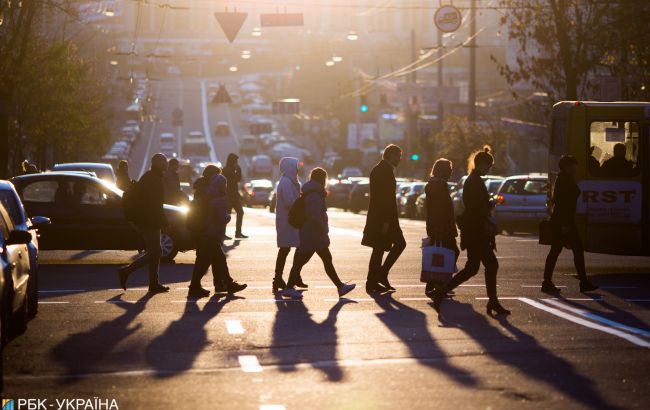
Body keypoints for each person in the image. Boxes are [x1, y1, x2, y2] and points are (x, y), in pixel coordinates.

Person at [434, 146, 510, 316]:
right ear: (481, 164)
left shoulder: (472, 180)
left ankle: (443, 291)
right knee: (490, 264)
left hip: (473, 230)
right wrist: (492, 204)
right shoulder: (475, 181)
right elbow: (477, 207)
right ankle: (492, 301)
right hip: (477, 231)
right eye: (488, 165)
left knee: (472, 267)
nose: (489, 168)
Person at [282, 168, 356, 299]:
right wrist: (324, 228)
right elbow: (316, 215)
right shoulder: (315, 195)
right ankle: (288, 288)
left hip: (310, 232)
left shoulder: (311, 192)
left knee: (323, 260)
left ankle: (340, 286)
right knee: (304, 261)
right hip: (313, 234)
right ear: (322, 179)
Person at [542, 155, 599, 293]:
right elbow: (564, 204)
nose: (576, 168)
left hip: (563, 221)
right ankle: (582, 282)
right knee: (573, 249)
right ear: (568, 167)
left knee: (557, 251)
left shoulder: (563, 179)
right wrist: (565, 224)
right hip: (564, 222)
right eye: (574, 165)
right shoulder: (565, 180)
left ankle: (548, 282)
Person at [188, 165, 247, 297]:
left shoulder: (203, 189)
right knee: (204, 261)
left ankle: (225, 283)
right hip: (206, 232)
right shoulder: (209, 192)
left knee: (217, 259)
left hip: (204, 231)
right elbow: (218, 215)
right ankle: (196, 287)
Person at [117, 153, 170, 294]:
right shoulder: (153, 179)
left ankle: (154, 283)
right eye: (164, 161)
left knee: (155, 251)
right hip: (149, 220)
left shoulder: (151, 176)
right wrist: (163, 221)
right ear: (159, 164)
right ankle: (127, 271)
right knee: (156, 252)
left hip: (148, 219)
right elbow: (155, 204)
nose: (166, 163)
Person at [362, 144, 406, 293]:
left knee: (379, 249)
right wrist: (386, 221)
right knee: (392, 245)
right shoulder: (383, 171)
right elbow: (383, 199)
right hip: (384, 219)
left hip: (384, 218)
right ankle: (378, 276)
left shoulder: (382, 169)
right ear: (389, 155)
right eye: (397, 156)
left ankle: (374, 279)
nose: (399, 159)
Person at [424, 158, 460, 296]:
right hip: (442, 227)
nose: (451, 172)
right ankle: (439, 285)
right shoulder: (438, 186)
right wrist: (438, 228)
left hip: (440, 226)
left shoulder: (436, 185)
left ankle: (434, 285)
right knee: (449, 254)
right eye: (449, 170)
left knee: (440, 255)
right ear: (442, 171)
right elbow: (438, 209)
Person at [273, 157, 307, 291]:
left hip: (290, 220)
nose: (297, 169)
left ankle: (290, 276)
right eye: (295, 166)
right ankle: (280, 278)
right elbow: (289, 202)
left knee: (289, 248)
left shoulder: (290, 181)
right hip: (288, 221)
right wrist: (301, 205)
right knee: (287, 249)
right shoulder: (286, 182)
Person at [222, 153, 247, 239]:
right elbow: (236, 180)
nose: (237, 162)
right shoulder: (227, 170)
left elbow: (236, 182)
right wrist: (239, 170)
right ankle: (224, 233)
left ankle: (237, 232)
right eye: (236, 161)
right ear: (232, 161)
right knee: (227, 215)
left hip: (233, 195)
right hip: (229, 196)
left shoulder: (229, 169)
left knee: (239, 212)